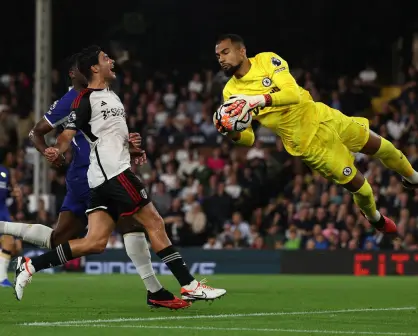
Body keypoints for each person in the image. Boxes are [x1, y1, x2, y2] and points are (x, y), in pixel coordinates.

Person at [13, 45, 226, 303]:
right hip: (114, 173)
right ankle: (189, 284)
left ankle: (30, 266)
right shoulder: (83, 99)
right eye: (105, 58)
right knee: (154, 222)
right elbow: (67, 135)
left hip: (103, 176)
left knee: (95, 242)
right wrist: (55, 151)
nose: (111, 60)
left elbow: (109, 136)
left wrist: (133, 148)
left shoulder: (112, 95)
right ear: (94, 68)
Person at [213, 34, 418, 234]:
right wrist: (232, 133)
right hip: (308, 144)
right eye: (218, 55)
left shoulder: (267, 60)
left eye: (225, 52)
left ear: (242, 51)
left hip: (322, 116)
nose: (221, 58)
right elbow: (249, 138)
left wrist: (254, 101)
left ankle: (413, 177)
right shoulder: (230, 93)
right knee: (362, 188)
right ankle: (375, 218)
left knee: (385, 147)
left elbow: (292, 94)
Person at [0, 151, 22, 287]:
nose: (11, 158)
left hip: (3, 210)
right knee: (10, 243)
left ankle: (2, 278)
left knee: (14, 245)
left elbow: (7, 191)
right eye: (9, 155)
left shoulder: (6, 172)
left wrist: (13, 192)